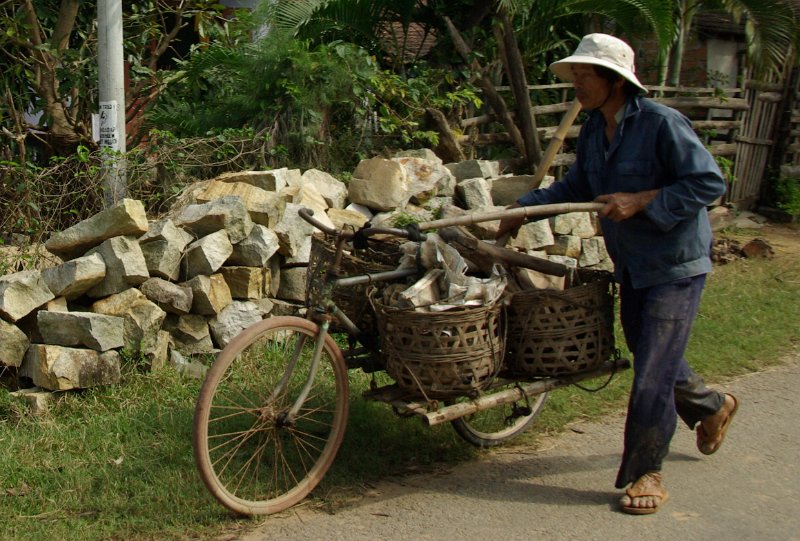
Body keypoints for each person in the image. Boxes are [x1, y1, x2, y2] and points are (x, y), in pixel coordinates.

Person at [497, 33, 739, 515]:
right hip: (632, 263)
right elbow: (578, 185)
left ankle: (646, 472)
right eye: (576, 76)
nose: (578, 85)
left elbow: (709, 181)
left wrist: (643, 199)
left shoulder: (661, 123)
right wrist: (522, 210)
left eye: (586, 76)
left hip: (675, 265)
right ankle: (713, 406)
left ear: (615, 80)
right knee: (653, 355)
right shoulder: (593, 129)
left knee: (652, 371)